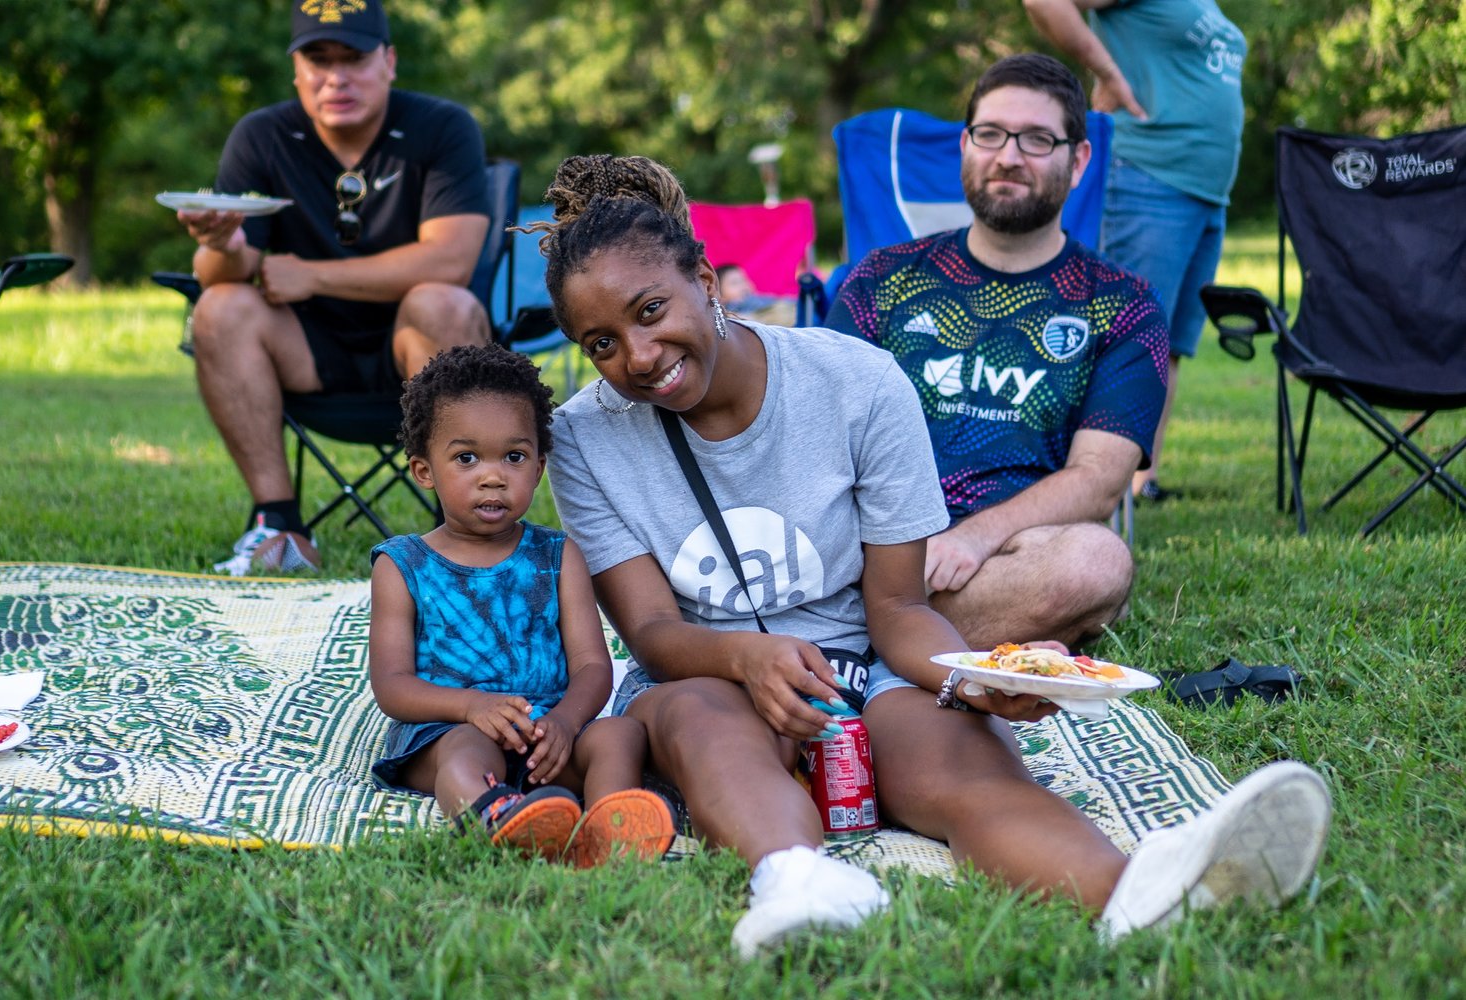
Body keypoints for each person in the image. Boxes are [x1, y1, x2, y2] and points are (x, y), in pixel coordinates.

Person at [531, 152, 1330, 957]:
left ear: (707, 279)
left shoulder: (858, 383)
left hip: (860, 663)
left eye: (651, 310)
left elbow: (898, 609)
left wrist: (976, 677)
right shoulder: (584, 438)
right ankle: (799, 881)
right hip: (702, 671)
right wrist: (747, 657)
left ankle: (1142, 894)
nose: (636, 356)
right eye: (601, 342)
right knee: (705, 723)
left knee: (962, 771)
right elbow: (651, 631)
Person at [825, 53, 1166, 651]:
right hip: (869, 544)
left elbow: (1100, 480)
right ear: (965, 145)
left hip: (1006, 551)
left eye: (1037, 139)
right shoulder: (882, 278)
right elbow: (818, 436)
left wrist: (975, 538)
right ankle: (912, 636)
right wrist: (894, 548)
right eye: (991, 134)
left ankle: (849, 636)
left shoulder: (1122, 304)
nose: (1008, 156)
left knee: (1097, 562)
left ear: (1078, 159)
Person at [178, 0, 493, 575]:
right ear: (296, 70)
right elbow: (218, 272)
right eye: (318, 60)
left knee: (443, 300)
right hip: (306, 352)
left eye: (354, 57)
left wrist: (312, 274)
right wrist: (221, 245)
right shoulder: (262, 134)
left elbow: (451, 259)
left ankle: (467, 532)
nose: (336, 77)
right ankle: (276, 526)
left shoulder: (443, 127)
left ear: (389, 61)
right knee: (220, 306)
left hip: (419, 349)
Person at [368, 345, 674, 867]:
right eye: (466, 458)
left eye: (514, 456)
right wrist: (470, 708)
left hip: (544, 733)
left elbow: (592, 666)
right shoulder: (403, 565)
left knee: (619, 733)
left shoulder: (558, 556)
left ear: (539, 466)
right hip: (447, 730)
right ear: (424, 470)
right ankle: (497, 818)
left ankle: (609, 827)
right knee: (466, 752)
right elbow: (392, 687)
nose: (494, 476)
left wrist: (567, 723)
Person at [1023, 0, 1247, 502]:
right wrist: (1109, 74)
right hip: (1150, 177)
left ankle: (1140, 479)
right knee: (1126, 335)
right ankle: (1091, 477)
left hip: (1204, 192)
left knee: (1165, 344)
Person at [715, 263, 794, 326]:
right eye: (734, 283)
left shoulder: (759, 299)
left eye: (745, 280)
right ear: (719, 295)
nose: (743, 285)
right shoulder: (726, 315)